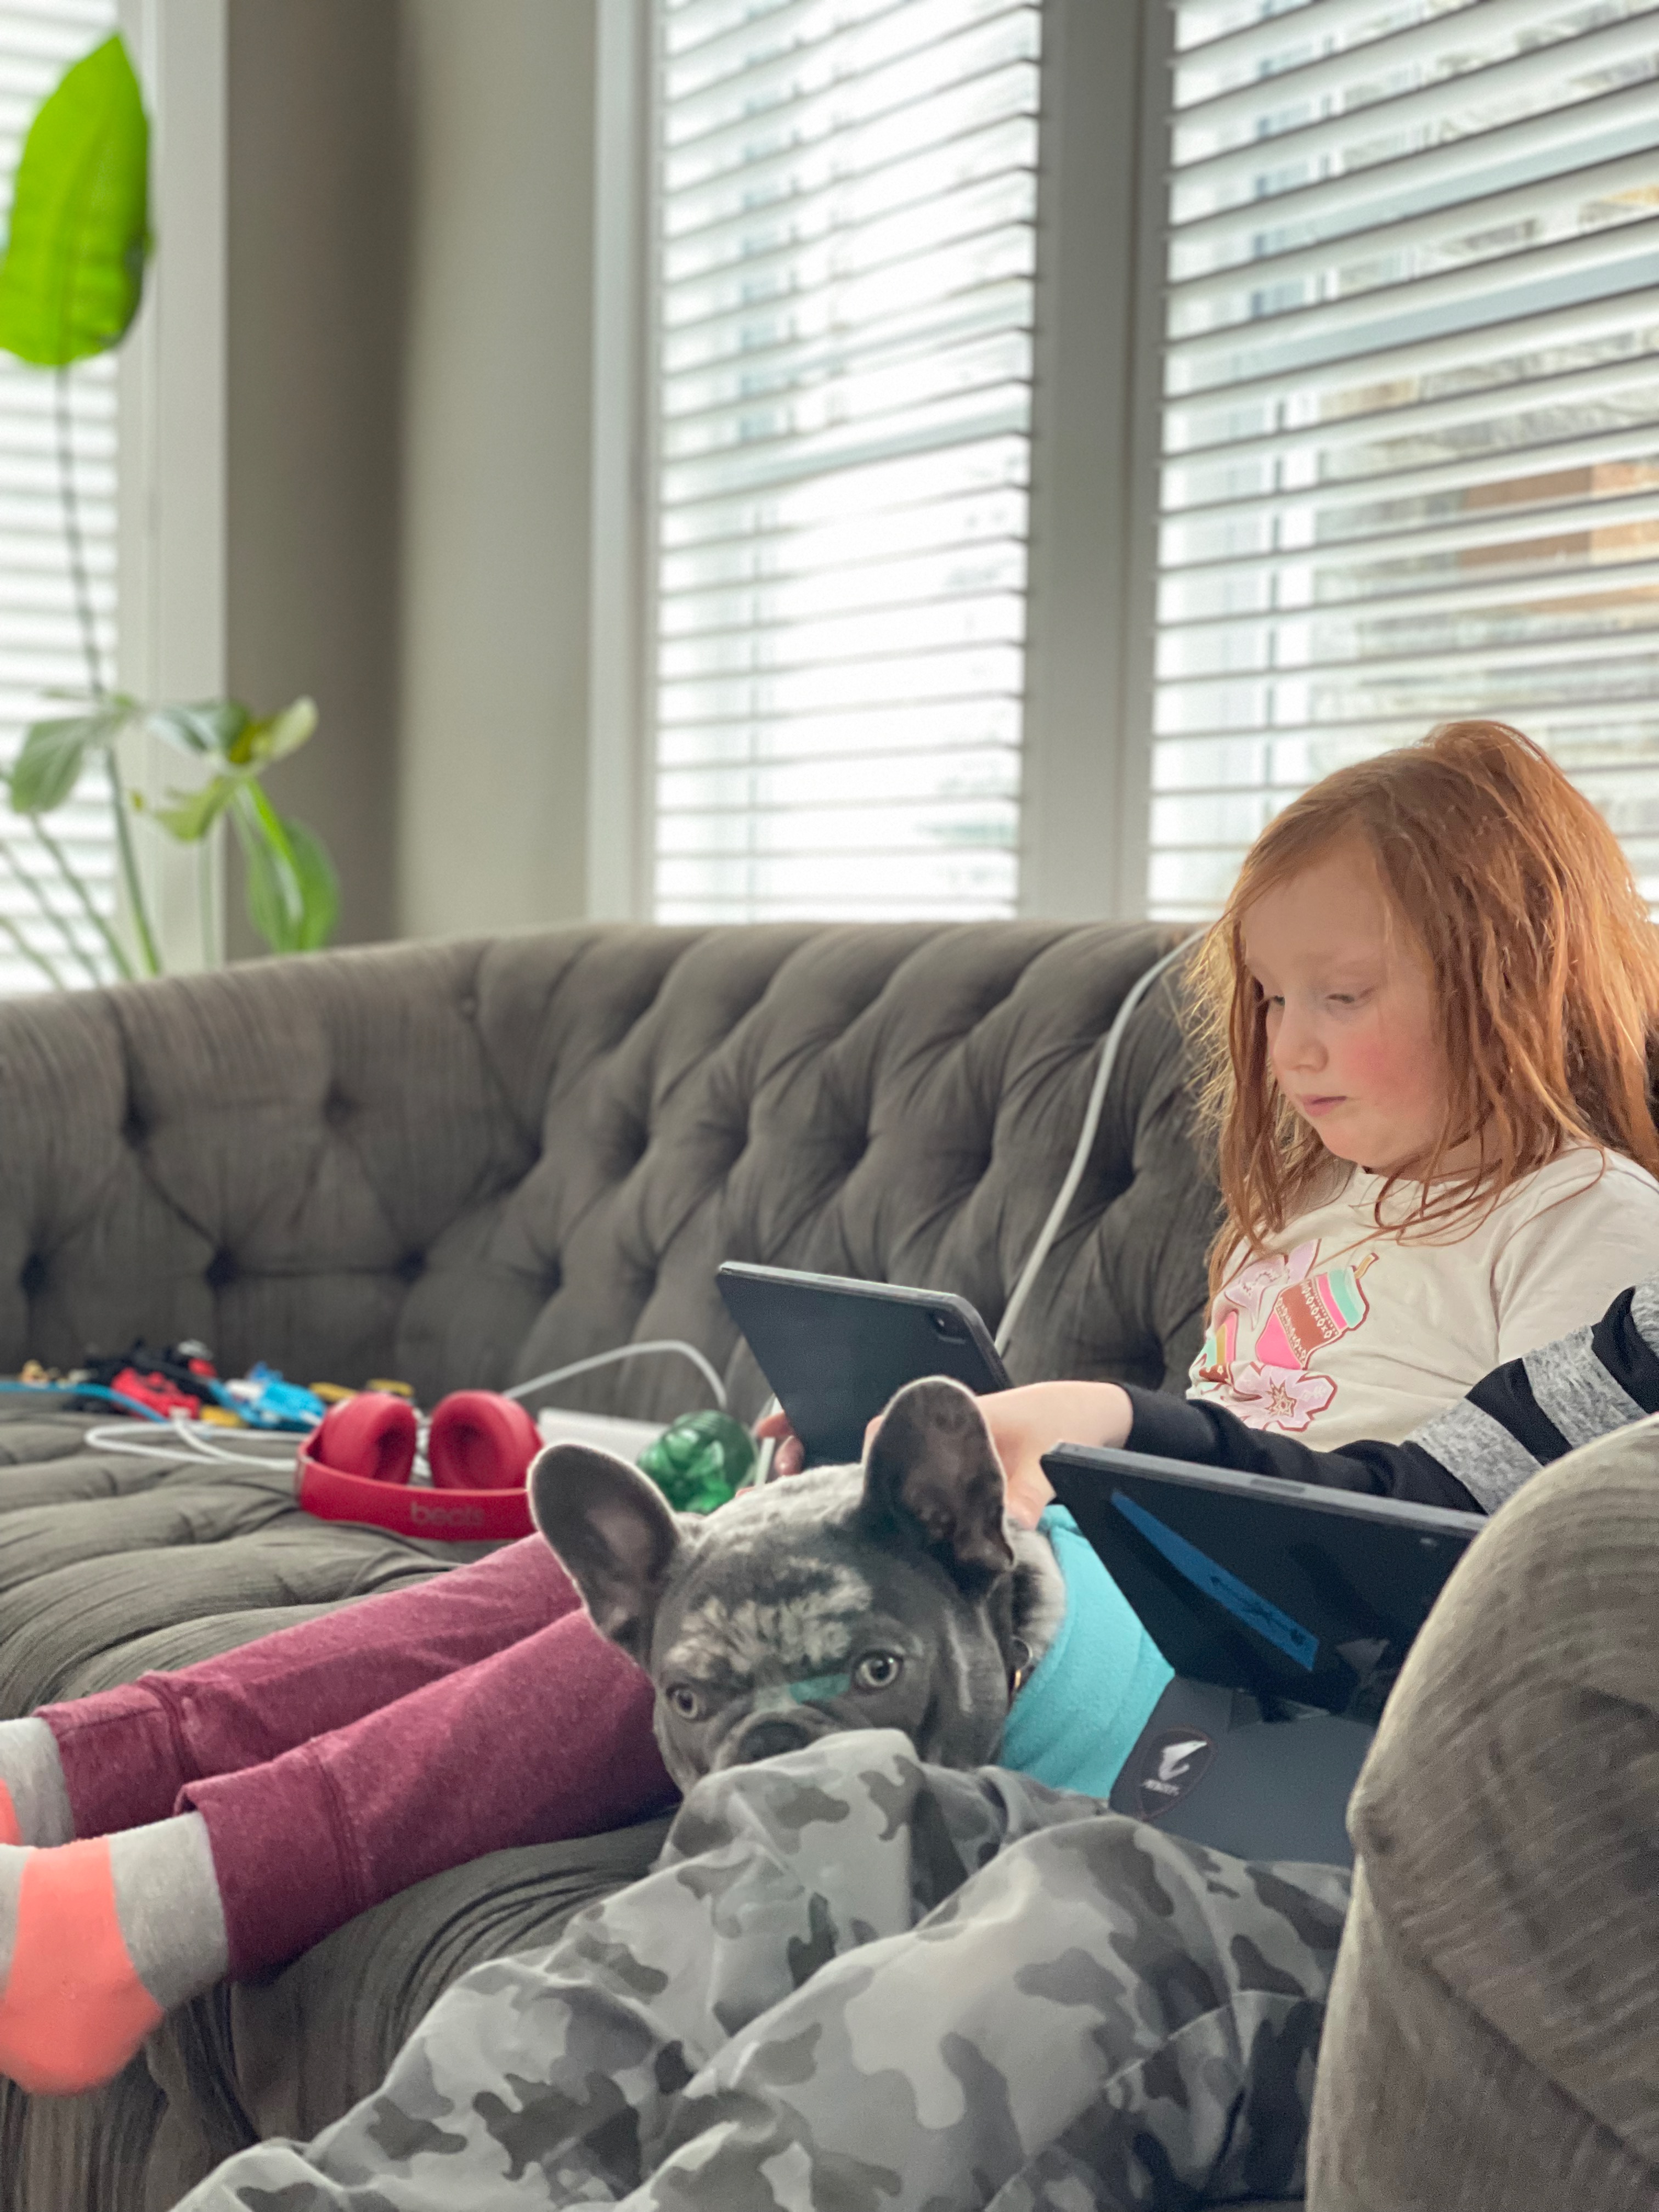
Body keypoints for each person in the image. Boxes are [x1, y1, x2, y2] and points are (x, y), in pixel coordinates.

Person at [2, 719, 1658, 2122]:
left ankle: (150, 1915)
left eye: (1341, 996)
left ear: (1513, 976)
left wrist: (1057, 1464)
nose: (1289, 1049)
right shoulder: (1323, 1213)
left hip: (1234, 1694)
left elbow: (1468, 1554)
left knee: (737, 1609)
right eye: (1272, 1001)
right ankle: (72, 1774)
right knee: (648, 1570)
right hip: (1124, 1591)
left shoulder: (1590, 1226)